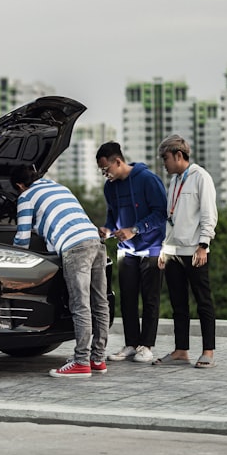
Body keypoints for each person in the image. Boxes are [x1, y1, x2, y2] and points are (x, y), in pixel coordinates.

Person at [11, 165, 110, 378]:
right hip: (95, 241)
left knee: (80, 305)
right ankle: (97, 359)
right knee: (100, 303)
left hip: (75, 248)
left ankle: (81, 362)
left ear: (20, 185)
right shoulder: (59, 187)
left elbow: (22, 239)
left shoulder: (26, 197)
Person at [95, 142, 168, 364]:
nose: (105, 174)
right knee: (127, 298)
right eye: (101, 171)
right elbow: (111, 215)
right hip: (126, 251)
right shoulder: (110, 187)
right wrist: (107, 229)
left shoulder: (147, 179)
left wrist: (135, 230)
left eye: (106, 169)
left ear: (118, 162)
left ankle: (146, 346)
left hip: (152, 248)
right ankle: (131, 344)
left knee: (150, 299)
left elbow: (160, 214)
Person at [153, 135, 219, 368]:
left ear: (179, 155)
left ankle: (208, 352)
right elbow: (170, 219)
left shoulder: (201, 177)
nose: (164, 163)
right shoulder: (174, 181)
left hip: (194, 251)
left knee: (203, 302)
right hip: (173, 252)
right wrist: (164, 249)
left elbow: (208, 215)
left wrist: (203, 246)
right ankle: (181, 350)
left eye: (166, 158)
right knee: (178, 304)